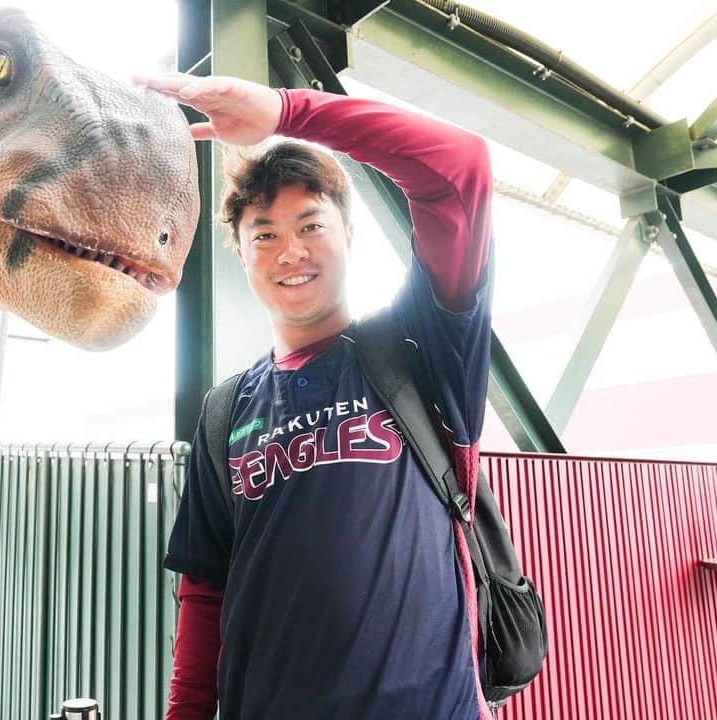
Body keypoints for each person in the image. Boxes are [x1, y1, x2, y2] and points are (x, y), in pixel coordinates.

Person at [135, 73, 494, 719]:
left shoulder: (424, 346)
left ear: (349, 234)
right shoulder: (224, 412)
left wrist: (286, 111)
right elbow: (205, 591)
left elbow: (458, 168)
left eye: (310, 224)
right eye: (264, 235)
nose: (289, 251)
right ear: (242, 256)